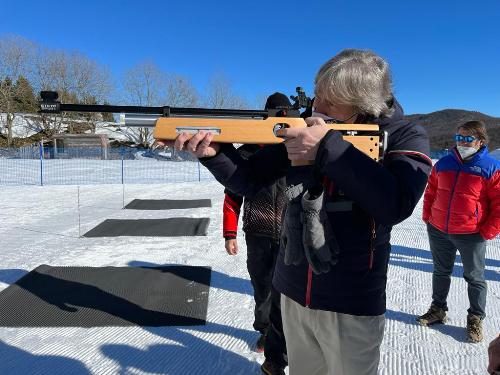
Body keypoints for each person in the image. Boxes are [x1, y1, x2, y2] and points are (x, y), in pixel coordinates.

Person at [168, 48, 432, 375]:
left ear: (363, 105)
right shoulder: (308, 129)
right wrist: (214, 153)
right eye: (318, 96)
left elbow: (395, 204)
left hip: (351, 305)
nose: (317, 108)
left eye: (331, 102)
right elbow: (249, 181)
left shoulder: (406, 135)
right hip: (291, 292)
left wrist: (328, 149)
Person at [223, 92, 289, 374]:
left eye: (283, 115)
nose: (278, 119)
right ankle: (264, 329)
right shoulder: (249, 150)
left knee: (287, 291)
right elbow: (232, 196)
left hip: (291, 232)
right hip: (258, 231)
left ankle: (285, 338)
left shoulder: (296, 147)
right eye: (274, 114)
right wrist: (230, 233)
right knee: (262, 286)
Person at [417, 120, 500, 343]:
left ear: (480, 141)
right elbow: (431, 191)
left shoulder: (491, 167)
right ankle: (438, 309)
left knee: (475, 277)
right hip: (438, 229)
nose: (462, 142)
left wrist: (487, 232)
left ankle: (475, 318)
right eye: (458, 138)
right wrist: (428, 217)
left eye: (467, 138)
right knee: (441, 272)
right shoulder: (443, 163)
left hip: (471, 233)